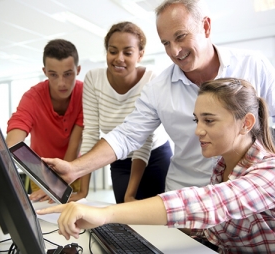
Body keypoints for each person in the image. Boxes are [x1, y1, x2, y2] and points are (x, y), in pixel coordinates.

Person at [39, 0, 275, 193]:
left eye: (181, 36)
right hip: (187, 195)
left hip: (246, 192)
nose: (174, 51)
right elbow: (127, 136)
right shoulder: (159, 88)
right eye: (166, 43)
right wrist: (74, 169)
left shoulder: (253, 66)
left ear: (205, 27)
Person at [38, 78, 275, 253]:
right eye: (197, 120)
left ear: (246, 124)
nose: (198, 130)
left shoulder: (269, 172)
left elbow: (209, 203)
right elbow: (217, 227)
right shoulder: (223, 166)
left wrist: (105, 214)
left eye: (209, 120)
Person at [0, 39, 90, 227]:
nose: (61, 83)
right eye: (53, 75)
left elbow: (74, 145)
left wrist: (60, 182)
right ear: (44, 72)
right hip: (41, 173)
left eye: (68, 74)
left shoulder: (85, 93)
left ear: (77, 70)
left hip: (73, 168)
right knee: (43, 223)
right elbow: (12, 143)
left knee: (73, 223)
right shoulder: (33, 97)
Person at [81, 21, 172, 203]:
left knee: (156, 217)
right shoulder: (93, 79)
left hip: (154, 155)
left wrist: (131, 194)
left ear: (140, 55)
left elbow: (144, 141)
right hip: (118, 156)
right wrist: (83, 191)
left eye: (128, 52)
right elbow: (90, 133)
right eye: (113, 51)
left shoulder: (151, 80)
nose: (119, 58)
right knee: (125, 216)